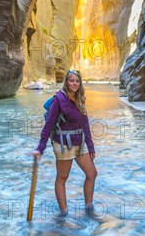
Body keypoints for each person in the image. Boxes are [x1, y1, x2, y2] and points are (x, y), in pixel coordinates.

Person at [30, 69, 97, 216]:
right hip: (63, 144)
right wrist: (40, 149)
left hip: (80, 142)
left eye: (77, 81)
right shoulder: (59, 99)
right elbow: (48, 125)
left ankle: (89, 209)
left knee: (92, 173)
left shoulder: (80, 98)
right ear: (66, 82)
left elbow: (85, 123)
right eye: (71, 80)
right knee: (62, 178)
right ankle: (64, 213)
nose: (74, 83)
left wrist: (90, 146)